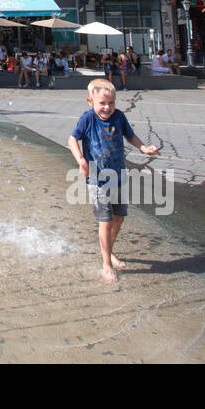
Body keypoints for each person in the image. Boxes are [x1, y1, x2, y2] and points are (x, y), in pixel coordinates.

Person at [67, 78, 160, 283]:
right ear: (90, 101)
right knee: (106, 219)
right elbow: (72, 139)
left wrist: (144, 148)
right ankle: (106, 263)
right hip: (97, 178)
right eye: (102, 103)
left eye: (111, 103)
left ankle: (109, 251)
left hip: (118, 175)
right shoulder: (88, 118)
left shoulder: (119, 117)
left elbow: (130, 135)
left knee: (119, 217)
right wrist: (81, 160)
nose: (107, 107)